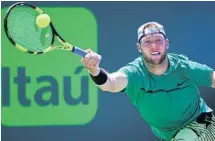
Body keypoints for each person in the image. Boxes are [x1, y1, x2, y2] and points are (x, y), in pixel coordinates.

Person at [81, 21, 215, 141]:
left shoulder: (184, 67)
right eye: (147, 42)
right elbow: (111, 83)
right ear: (139, 48)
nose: (154, 46)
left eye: (158, 40)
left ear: (166, 44)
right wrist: (94, 70)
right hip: (170, 135)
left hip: (202, 123)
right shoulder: (134, 72)